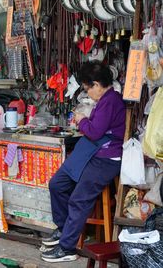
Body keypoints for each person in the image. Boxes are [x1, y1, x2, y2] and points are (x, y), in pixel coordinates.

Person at [41, 61, 126, 263]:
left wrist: (81, 120)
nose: (88, 94)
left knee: (79, 200)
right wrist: (86, 122)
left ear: (97, 84)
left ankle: (67, 248)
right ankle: (63, 228)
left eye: (88, 89)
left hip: (106, 158)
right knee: (57, 184)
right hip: (91, 153)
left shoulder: (111, 100)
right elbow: (96, 130)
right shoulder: (104, 100)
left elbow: (95, 132)